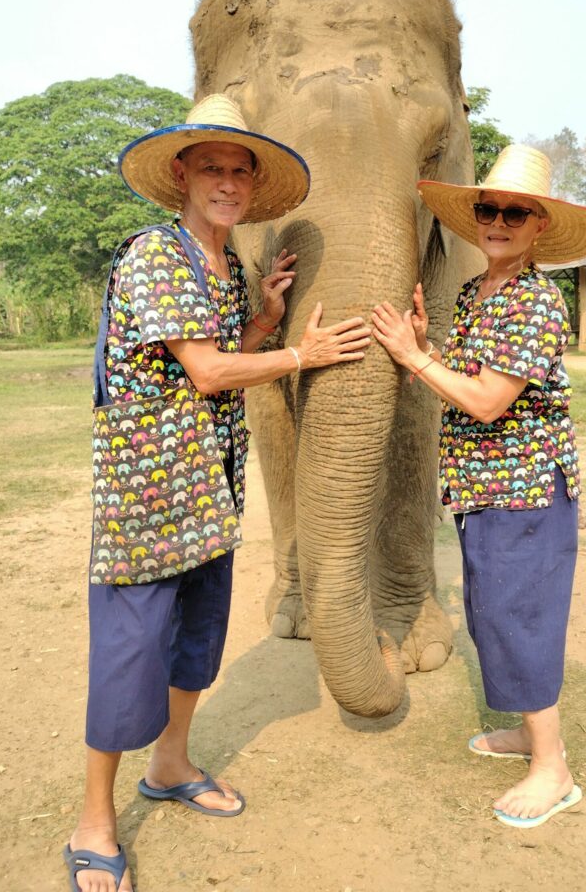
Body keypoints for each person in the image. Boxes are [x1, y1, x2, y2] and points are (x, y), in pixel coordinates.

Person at [65, 93, 371, 892]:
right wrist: (302, 356)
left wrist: (265, 321)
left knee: (194, 646)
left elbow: (219, 356)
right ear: (181, 174)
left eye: (240, 171)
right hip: (148, 500)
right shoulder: (156, 257)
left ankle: (170, 763)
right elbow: (205, 373)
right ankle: (95, 821)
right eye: (213, 168)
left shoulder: (227, 266)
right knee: (128, 658)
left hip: (210, 492)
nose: (228, 183)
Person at [371, 144, 586, 829]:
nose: (498, 220)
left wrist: (415, 359)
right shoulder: (480, 292)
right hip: (483, 490)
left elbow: (485, 402)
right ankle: (527, 736)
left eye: (515, 212)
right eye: (489, 208)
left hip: (526, 493)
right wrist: (431, 345)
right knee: (494, 616)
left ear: (539, 227)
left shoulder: (535, 301)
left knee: (523, 621)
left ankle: (554, 768)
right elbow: (474, 375)